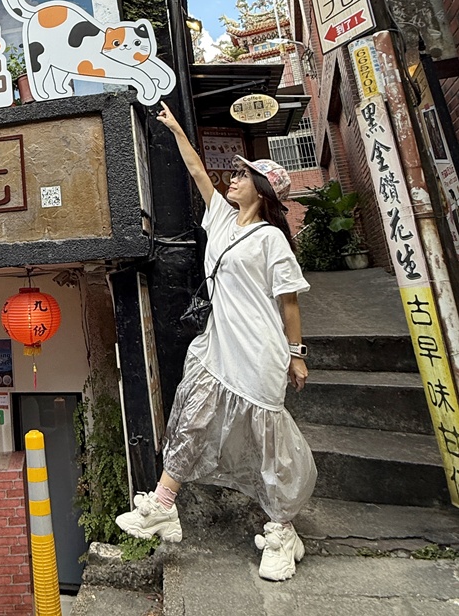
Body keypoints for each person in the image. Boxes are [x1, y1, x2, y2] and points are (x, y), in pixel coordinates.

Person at [115, 103, 317, 582]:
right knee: (192, 417)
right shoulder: (222, 220)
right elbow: (197, 171)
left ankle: (282, 530)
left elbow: (289, 305)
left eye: (243, 175)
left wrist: (297, 354)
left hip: (260, 351)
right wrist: (175, 129)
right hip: (219, 346)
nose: (233, 178)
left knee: (269, 446)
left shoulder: (272, 240)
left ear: (261, 189)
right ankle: (164, 504)